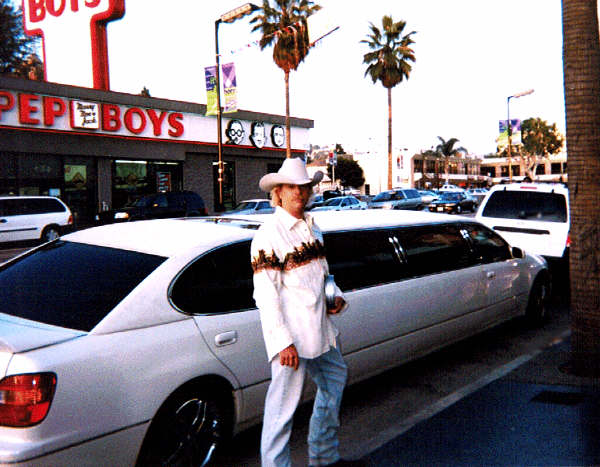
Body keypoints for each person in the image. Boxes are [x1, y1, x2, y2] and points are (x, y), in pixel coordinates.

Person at [251, 157, 353, 467]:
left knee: (335, 377)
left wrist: (335, 297)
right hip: (292, 338)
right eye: (292, 187)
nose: (299, 192)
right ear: (278, 192)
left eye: (304, 187)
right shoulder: (269, 234)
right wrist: (283, 341)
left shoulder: (312, 227)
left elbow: (321, 275)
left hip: (319, 330)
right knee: (281, 411)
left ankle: (324, 456)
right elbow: (265, 293)